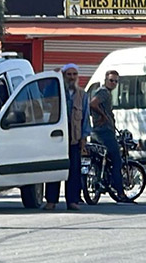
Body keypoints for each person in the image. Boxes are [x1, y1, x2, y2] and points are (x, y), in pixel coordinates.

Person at [45, 63, 90, 211]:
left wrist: (84, 138)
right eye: (68, 74)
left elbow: (85, 117)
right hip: (56, 137)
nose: (71, 77)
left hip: (74, 137)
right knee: (55, 169)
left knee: (74, 171)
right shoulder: (56, 91)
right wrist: (53, 77)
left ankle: (72, 201)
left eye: (74, 74)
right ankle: (51, 200)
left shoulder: (82, 95)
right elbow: (45, 99)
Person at [89, 70, 135, 204]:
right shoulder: (103, 92)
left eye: (116, 81)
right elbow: (93, 103)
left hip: (97, 131)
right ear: (105, 80)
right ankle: (120, 192)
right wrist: (103, 115)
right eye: (111, 80)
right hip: (104, 132)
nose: (113, 83)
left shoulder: (102, 91)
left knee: (99, 160)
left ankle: (99, 182)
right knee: (116, 160)